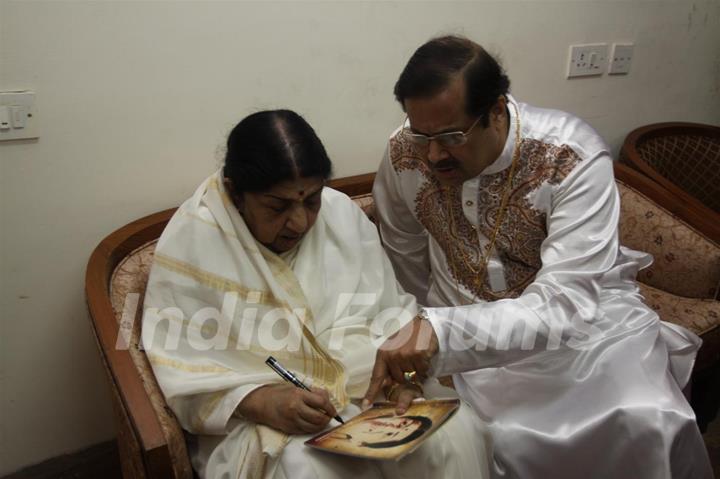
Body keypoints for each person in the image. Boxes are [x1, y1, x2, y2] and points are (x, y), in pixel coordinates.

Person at [367, 36, 713, 478]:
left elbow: (566, 303)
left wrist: (440, 334)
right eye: (421, 133)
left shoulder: (568, 156)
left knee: (646, 417)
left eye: (451, 136)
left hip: (585, 335)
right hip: (461, 328)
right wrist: (421, 339)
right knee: (486, 440)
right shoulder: (404, 152)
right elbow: (404, 258)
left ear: (495, 110)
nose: (433, 155)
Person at [141, 109, 490, 479]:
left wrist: (405, 376)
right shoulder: (193, 241)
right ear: (234, 193)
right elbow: (181, 368)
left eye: (311, 201)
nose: (301, 222)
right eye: (277, 207)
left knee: (456, 431)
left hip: (370, 389)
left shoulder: (339, 214)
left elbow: (391, 312)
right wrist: (261, 402)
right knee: (311, 470)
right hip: (266, 421)